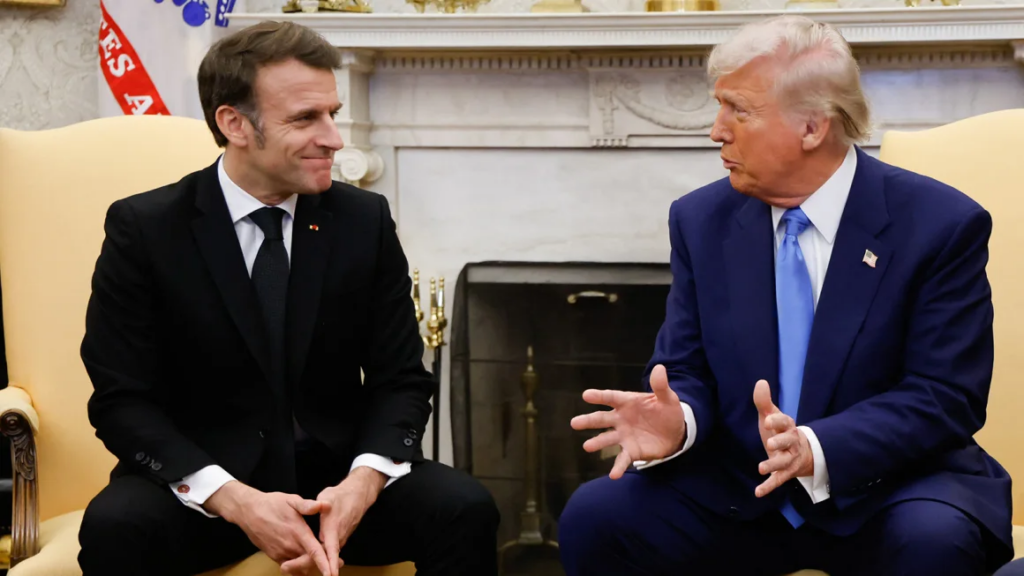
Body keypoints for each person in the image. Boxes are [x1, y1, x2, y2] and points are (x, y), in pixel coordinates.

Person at [560, 15, 1013, 576]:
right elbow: (686, 369)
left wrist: (817, 447)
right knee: (597, 516)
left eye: (738, 111)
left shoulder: (940, 224)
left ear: (812, 128)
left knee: (934, 542)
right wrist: (681, 424)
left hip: (889, 485)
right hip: (740, 489)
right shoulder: (702, 220)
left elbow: (944, 395)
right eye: (718, 106)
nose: (716, 130)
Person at [77, 21, 498, 576]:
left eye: (332, 112)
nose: (335, 137)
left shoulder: (363, 220)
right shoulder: (146, 228)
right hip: (205, 491)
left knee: (465, 508)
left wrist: (365, 480)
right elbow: (121, 400)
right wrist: (232, 498)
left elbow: (401, 379)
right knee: (115, 527)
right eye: (306, 118)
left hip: (339, 485)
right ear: (234, 123)